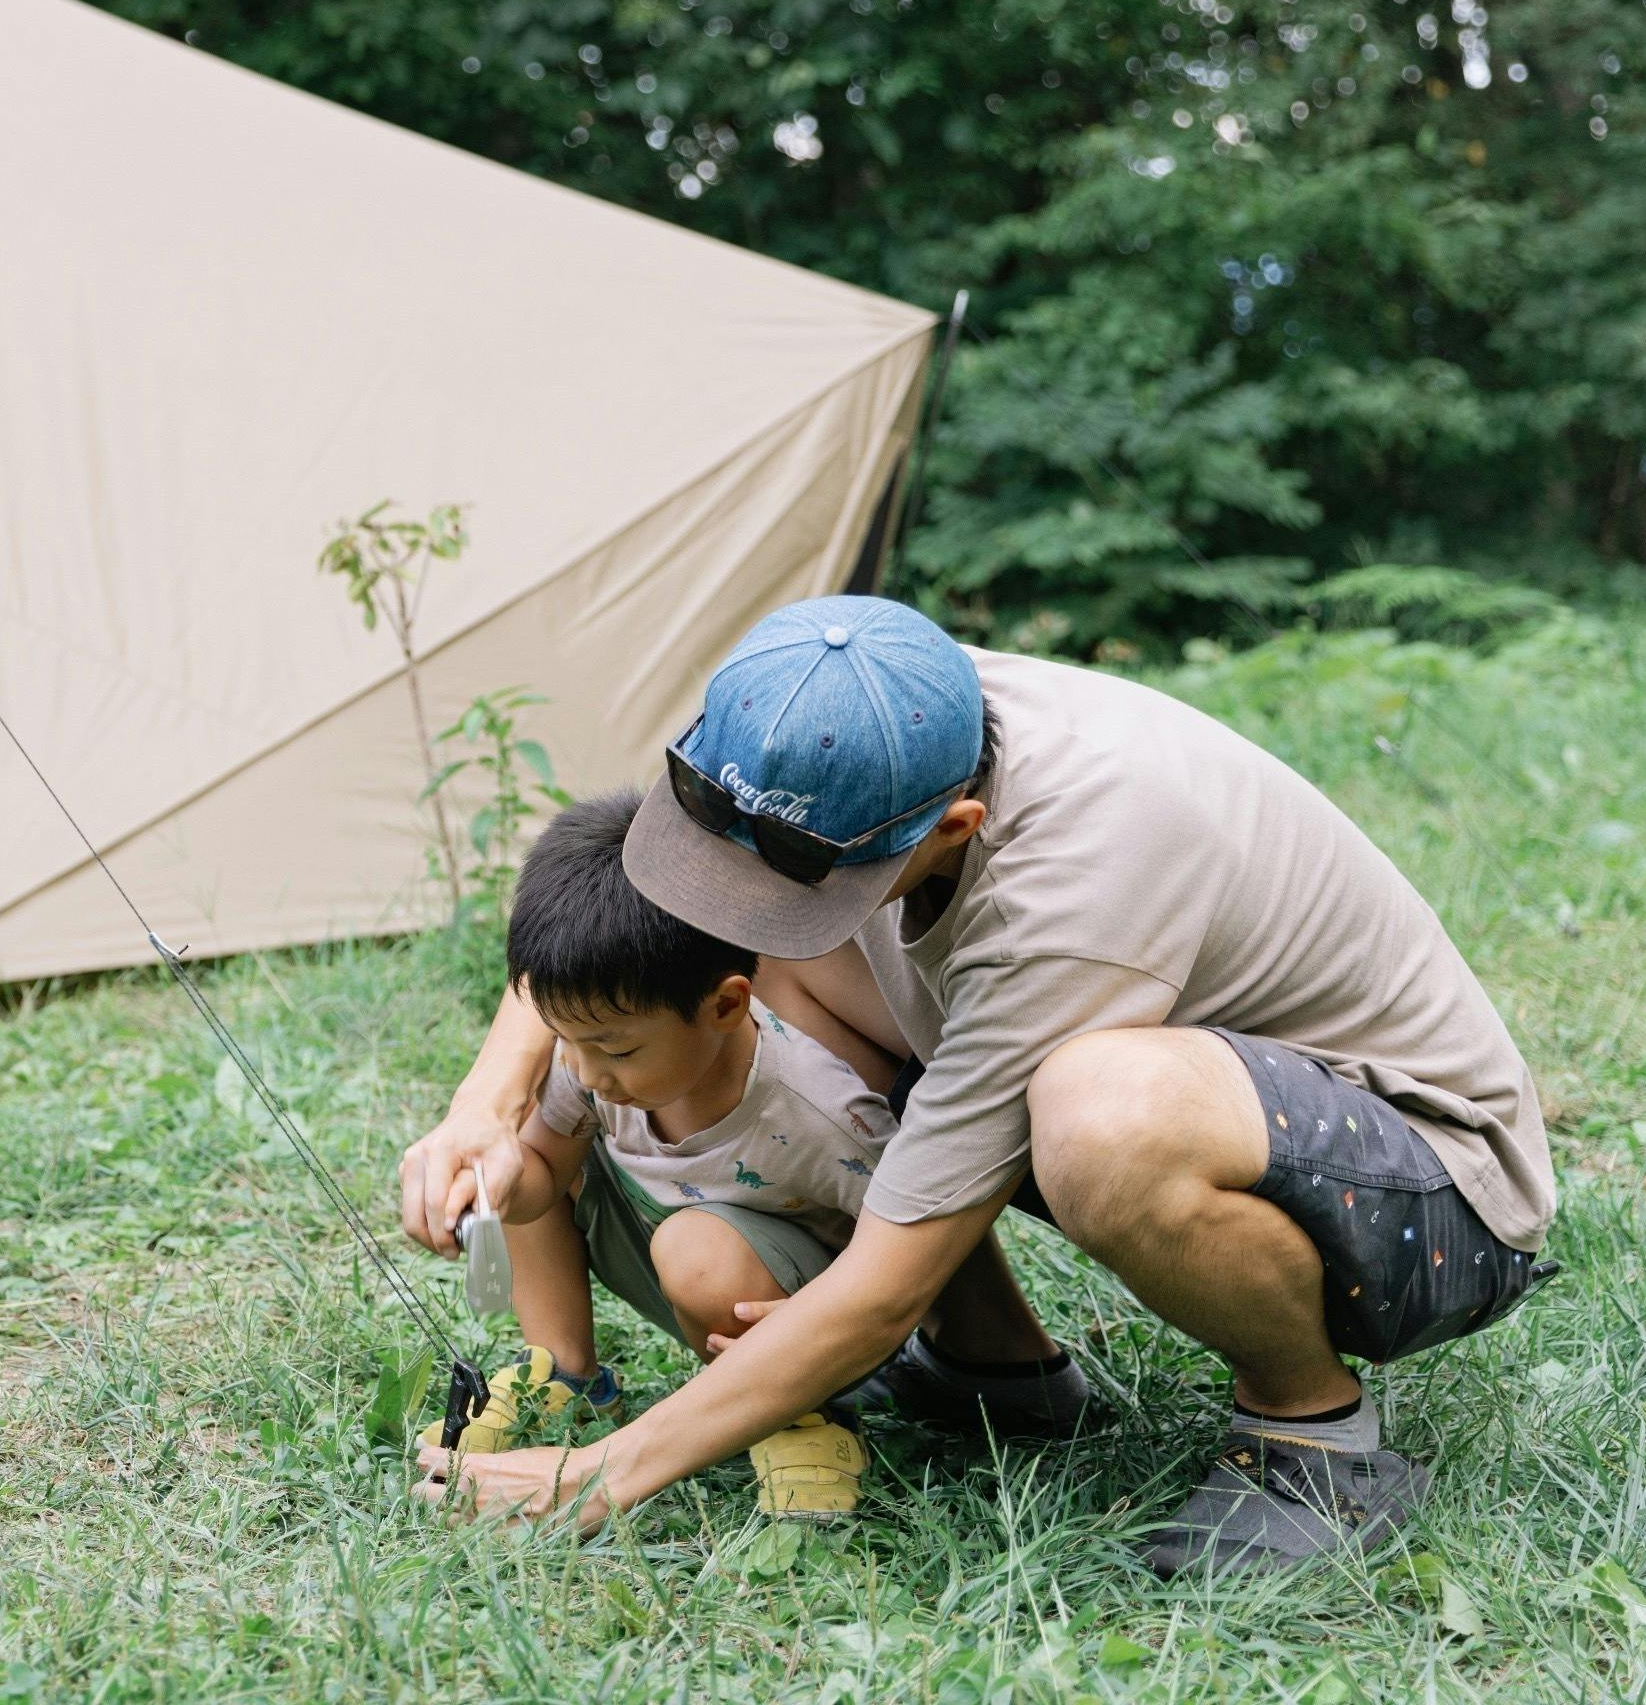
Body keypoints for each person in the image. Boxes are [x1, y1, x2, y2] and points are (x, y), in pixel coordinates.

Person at [402, 595, 1556, 1574]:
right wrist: (486, 1101)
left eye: (795, 884)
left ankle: (1315, 1435)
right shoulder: (829, 710)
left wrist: (601, 1474)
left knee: (1101, 1111)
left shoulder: (1077, 886)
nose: (743, 906)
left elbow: (884, 1284)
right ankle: (997, 1371)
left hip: (1428, 1192)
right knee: (794, 967)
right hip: (1237, 1105)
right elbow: (639, 903)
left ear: (956, 825)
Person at [429, 789, 938, 1518]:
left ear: (727, 1005)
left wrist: (818, 1337)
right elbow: (543, 1179)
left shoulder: (823, 1114)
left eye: (615, 1047)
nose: (584, 1067)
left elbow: (902, 1259)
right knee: (519, 1153)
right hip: (661, 1235)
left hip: (786, 1304)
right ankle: (565, 1371)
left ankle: (802, 1415)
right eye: (562, 1037)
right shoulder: (587, 1064)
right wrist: (502, 1185)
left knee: (696, 1252)